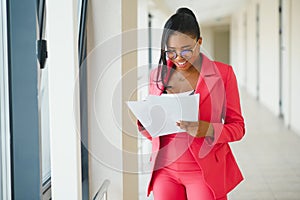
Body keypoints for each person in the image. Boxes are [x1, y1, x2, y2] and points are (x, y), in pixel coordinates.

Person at [138, 7, 245, 200]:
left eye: (186, 50)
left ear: (199, 42)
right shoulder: (157, 76)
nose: (179, 58)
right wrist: (145, 122)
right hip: (165, 171)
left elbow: (238, 128)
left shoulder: (223, 74)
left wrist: (208, 129)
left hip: (203, 172)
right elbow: (154, 131)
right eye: (171, 52)